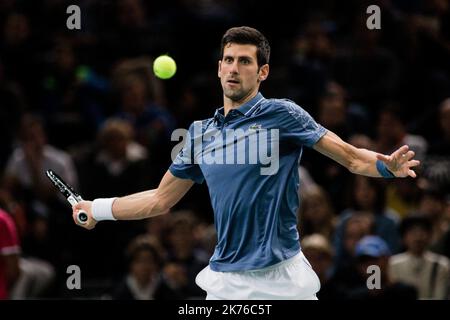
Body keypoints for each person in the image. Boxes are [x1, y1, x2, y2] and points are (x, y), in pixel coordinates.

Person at [72, 26, 420, 300]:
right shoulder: (199, 134)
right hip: (227, 284)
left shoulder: (282, 114)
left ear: (263, 71)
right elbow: (159, 200)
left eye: (244, 61)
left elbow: (349, 156)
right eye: (228, 60)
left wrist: (385, 166)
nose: (234, 69)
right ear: (218, 67)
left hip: (285, 278)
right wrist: (98, 208)